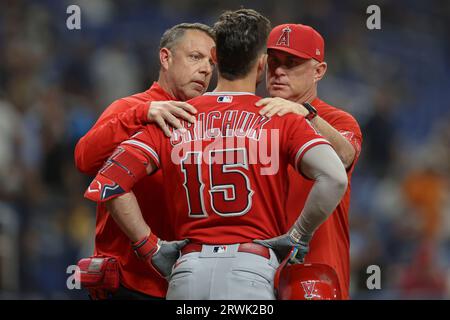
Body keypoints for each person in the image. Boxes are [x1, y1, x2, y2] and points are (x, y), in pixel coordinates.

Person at [84, 9, 348, 300]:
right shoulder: (280, 116)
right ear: (261, 65)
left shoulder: (174, 117)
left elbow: (108, 183)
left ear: (217, 60)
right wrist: (298, 237)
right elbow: (335, 176)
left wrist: (149, 247)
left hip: (186, 272)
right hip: (251, 271)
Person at [74, 23, 215, 299]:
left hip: (187, 283)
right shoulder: (130, 108)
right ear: (166, 57)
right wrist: (142, 114)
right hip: (130, 282)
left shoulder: (209, 119)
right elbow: (84, 159)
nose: (206, 69)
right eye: (195, 57)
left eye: (212, 62)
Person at [256, 23, 363, 299]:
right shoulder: (249, 119)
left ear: (319, 71)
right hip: (254, 271)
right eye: (274, 62)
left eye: (292, 64)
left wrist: (305, 114)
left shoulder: (338, 120)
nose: (279, 71)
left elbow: (343, 156)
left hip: (315, 272)